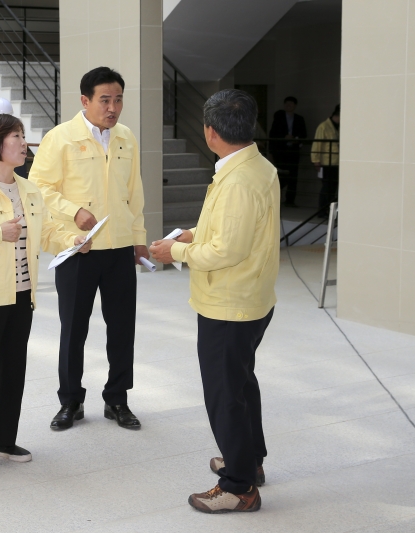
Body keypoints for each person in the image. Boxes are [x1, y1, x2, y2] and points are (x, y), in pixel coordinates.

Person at [149, 89, 280, 514]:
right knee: (241, 383)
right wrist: (194, 235)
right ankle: (249, 459)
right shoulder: (257, 166)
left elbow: (227, 251)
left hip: (229, 303)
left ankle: (238, 486)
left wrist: (177, 252)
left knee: (225, 394)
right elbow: (232, 233)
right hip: (251, 298)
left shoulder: (238, 180)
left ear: (209, 131)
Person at [0, 114, 91, 478]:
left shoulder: (29, 190)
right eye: (16, 137)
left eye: (24, 136)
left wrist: (72, 240)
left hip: (22, 295)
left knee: (12, 370)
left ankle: (1, 439)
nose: (24, 143)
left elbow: (47, 231)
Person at [28, 67, 148, 431]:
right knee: (74, 328)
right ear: (85, 101)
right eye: (105, 100)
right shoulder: (60, 138)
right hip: (78, 249)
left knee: (122, 327)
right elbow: (39, 188)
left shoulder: (126, 137)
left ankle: (117, 399)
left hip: (119, 249)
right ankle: (70, 401)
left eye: (118, 100)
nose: (113, 108)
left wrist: (139, 236)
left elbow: (134, 193)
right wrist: (73, 211)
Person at [268, 96, 306, 207]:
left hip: (293, 151)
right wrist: (284, 137)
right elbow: (273, 134)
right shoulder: (279, 118)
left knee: (293, 176)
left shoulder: (299, 119)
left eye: (291, 104)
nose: (289, 106)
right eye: (287, 104)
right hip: (281, 151)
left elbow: (304, 134)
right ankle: (274, 197)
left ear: (295, 106)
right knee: (282, 175)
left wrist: (295, 139)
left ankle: (290, 200)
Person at [311, 104, 340, 213]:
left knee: (332, 189)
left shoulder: (339, 127)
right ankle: (323, 211)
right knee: (327, 188)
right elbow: (317, 144)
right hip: (326, 162)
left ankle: (329, 211)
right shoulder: (323, 126)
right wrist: (316, 160)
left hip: (337, 162)